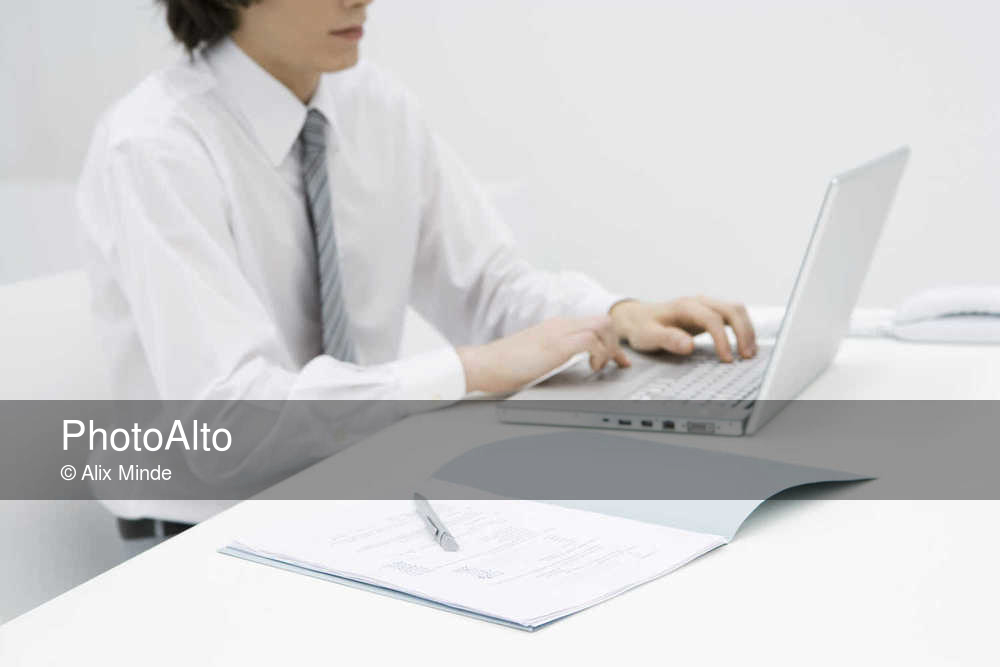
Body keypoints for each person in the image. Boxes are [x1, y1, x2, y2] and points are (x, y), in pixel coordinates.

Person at [77, 0, 757, 527]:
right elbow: (230, 425)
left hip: (368, 488)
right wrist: (466, 371)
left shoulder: (375, 106)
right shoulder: (154, 147)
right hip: (211, 529)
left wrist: (614, 315)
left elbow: (490, 290)